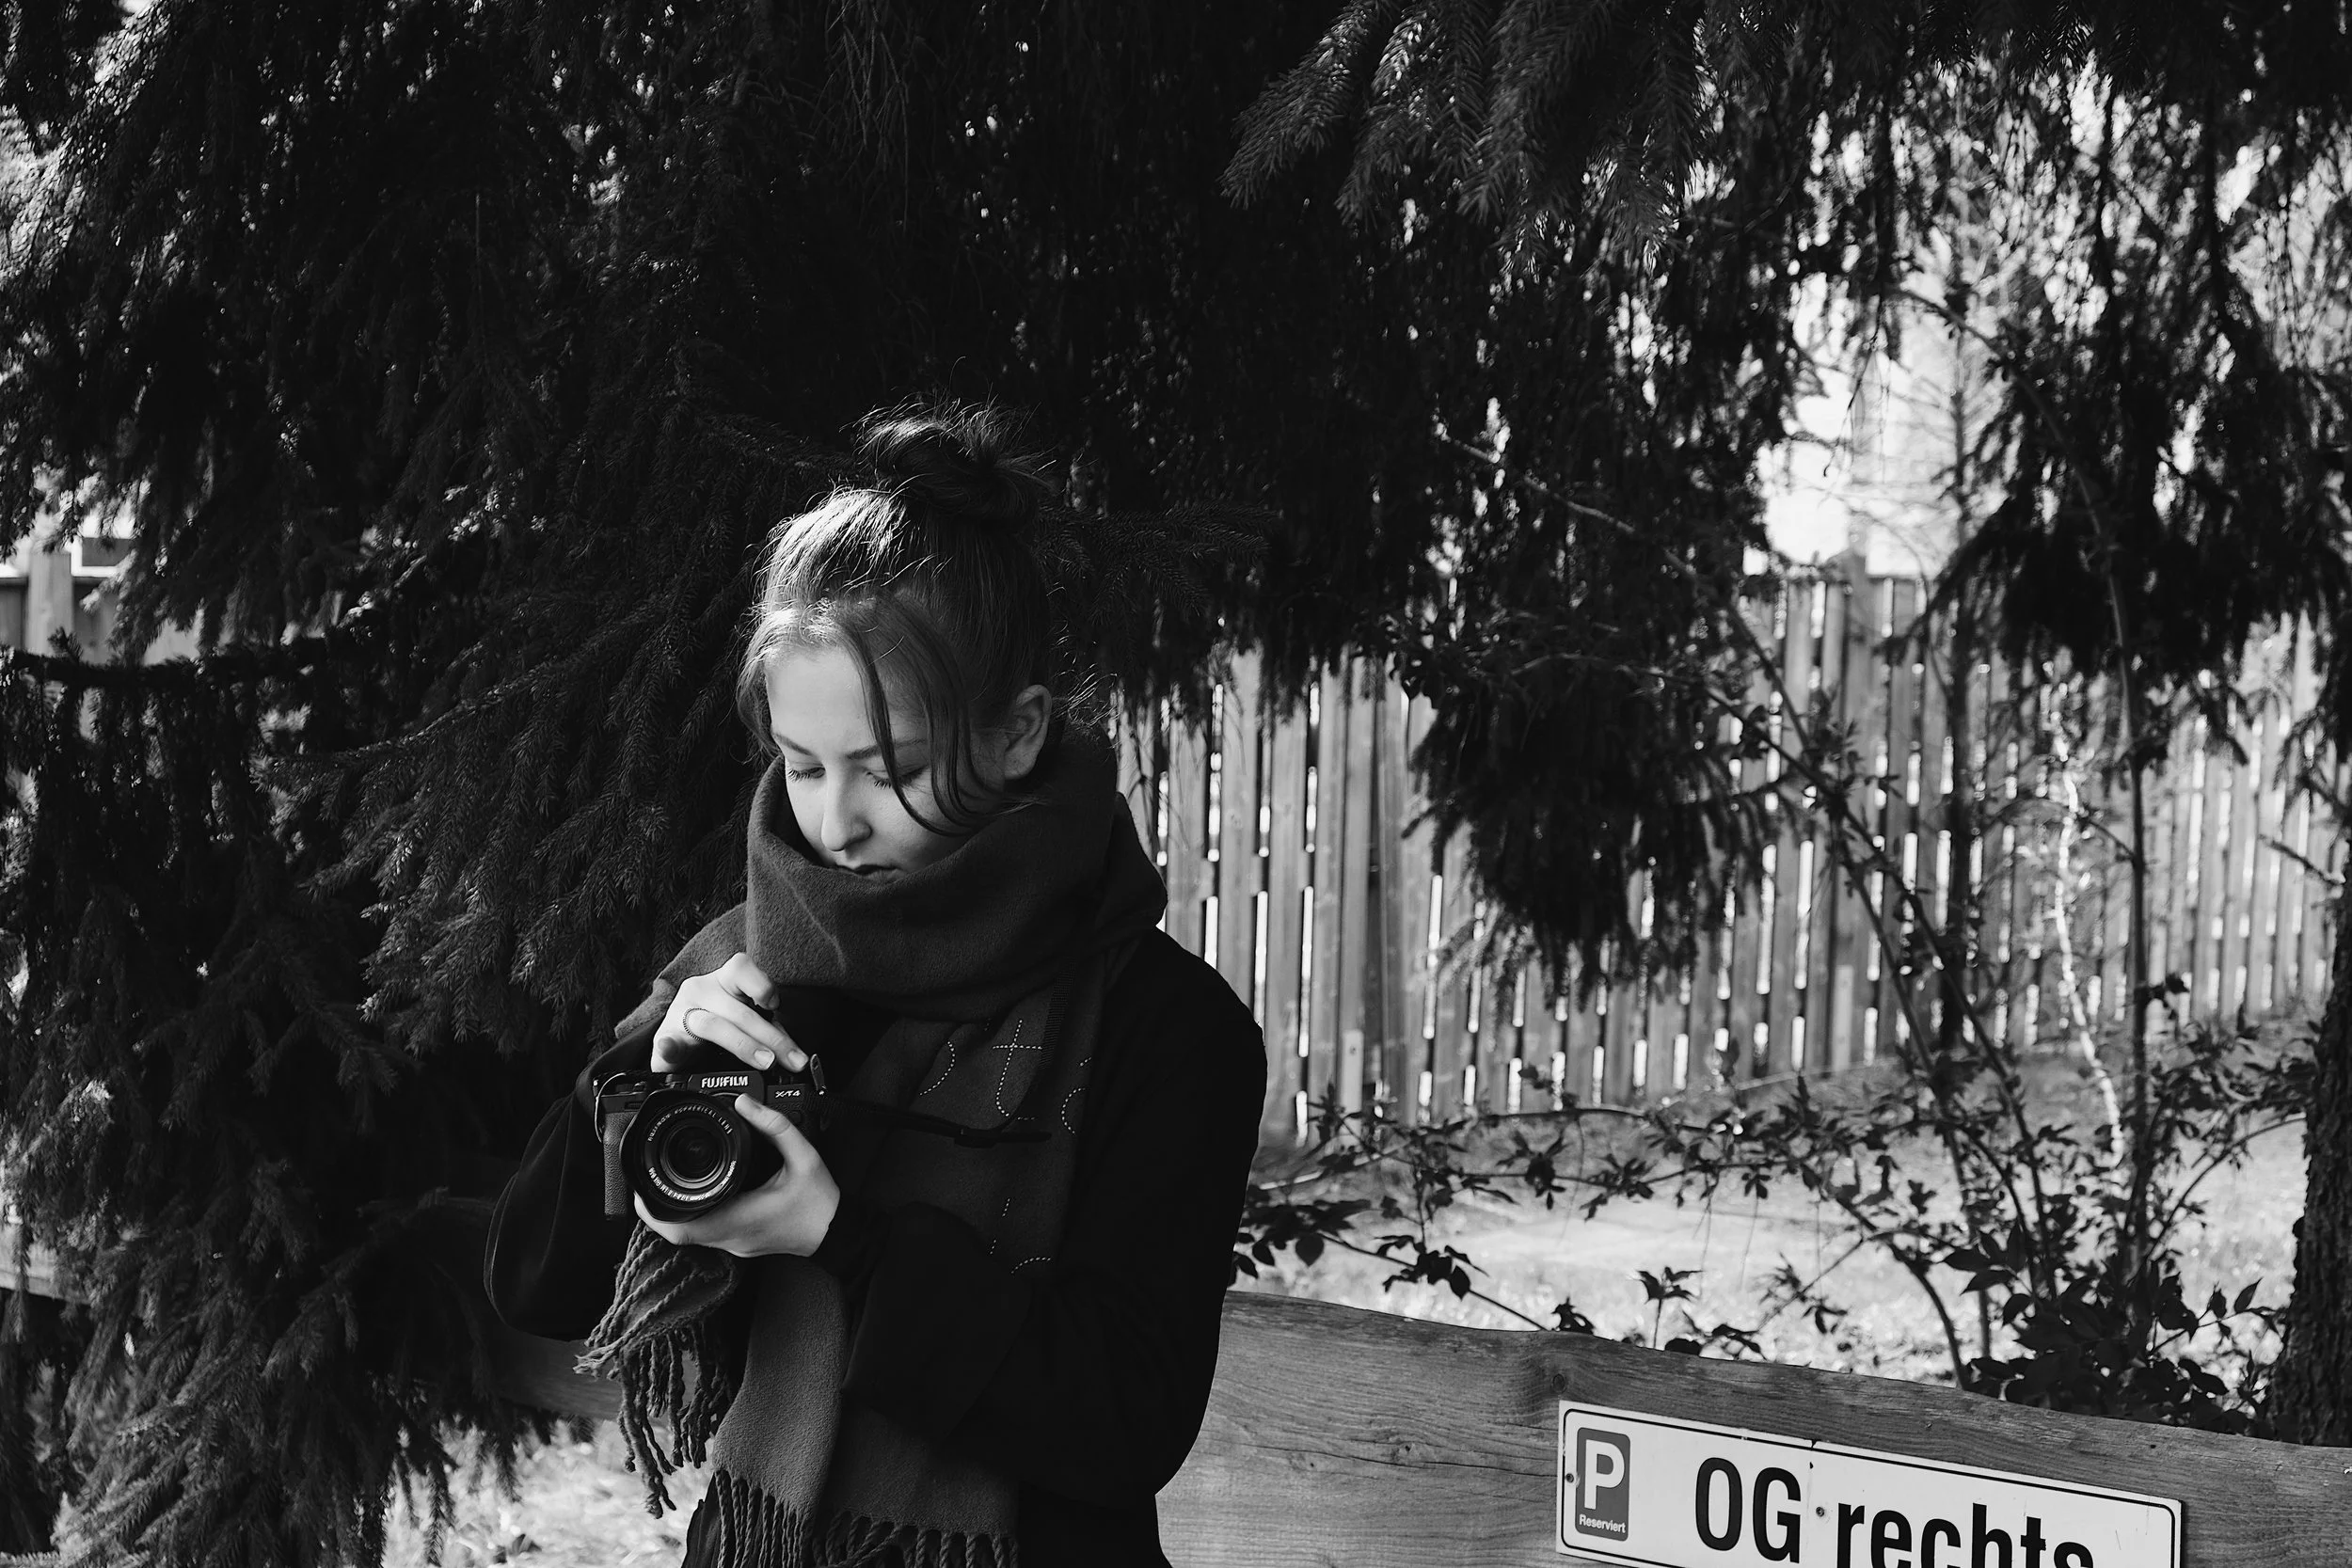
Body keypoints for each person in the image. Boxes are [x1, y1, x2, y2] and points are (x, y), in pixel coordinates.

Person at [484, 403, 1266, 1568]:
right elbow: (534, 1284)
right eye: (802, 766)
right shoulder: (741, 969)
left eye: (889, 770)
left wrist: (838, 1237)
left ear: (1016, 734)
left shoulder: (1168, 1028)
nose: (836, 821)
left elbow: (1122, 1419)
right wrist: (637, 1086)